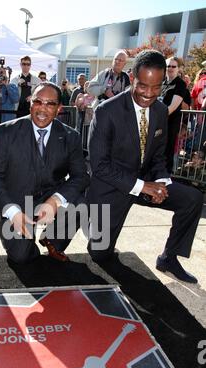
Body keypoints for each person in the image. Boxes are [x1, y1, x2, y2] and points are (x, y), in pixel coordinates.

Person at [87, 49, 203, 284]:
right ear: (132, 78)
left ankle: (169, 258)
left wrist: (161, 181)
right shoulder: (106, 111)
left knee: (192, 198)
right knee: (100, 254)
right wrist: (142, 186)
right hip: (113, 187)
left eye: (156, 87)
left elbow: (158, 156)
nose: (149, 94)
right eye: (142, 86)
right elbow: (99, 166)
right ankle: (89, 222)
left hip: (147, 181)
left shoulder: (160, 111)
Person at [0, 82, 89, 264]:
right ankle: (28, 246)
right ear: (30, 103)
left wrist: (56, 201)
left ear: (59, 109)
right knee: (21, 257)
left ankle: (52, 240)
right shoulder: (5, 132)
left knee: (80, 204)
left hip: (50, 195)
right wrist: (12, 211)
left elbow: (81, 176)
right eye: (38, 101)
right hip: (17, 199)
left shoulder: (70, 136)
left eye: (50, 104)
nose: (42, 108)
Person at [160, 56, 187, 173]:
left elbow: (173, 106)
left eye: (173, 66)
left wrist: (157, 116)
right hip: (157, 121)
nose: (170, 68)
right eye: (168, 66)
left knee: (167, 150)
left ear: (179, 68)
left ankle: (166, 176)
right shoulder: (162, 82)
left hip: (170, 122)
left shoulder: (180, 84)